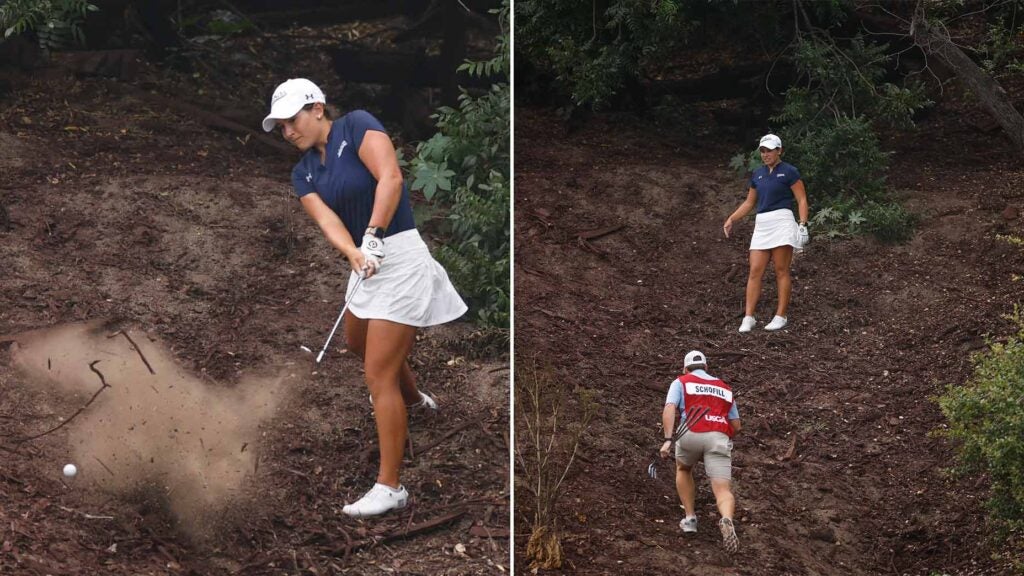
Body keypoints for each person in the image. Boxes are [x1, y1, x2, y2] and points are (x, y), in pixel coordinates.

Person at [262, 78, 467, 518]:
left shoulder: (357, 126)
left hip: (401, 256)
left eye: (292, 120)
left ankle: (390, 486)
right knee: (357, 343)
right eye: (280, 127)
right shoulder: (304, 172)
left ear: (317, 109)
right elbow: (328, 221)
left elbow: (390, 177)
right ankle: (416, 402)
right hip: (366, 261)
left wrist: (373, 233)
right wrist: (354, 251)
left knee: (378, 376)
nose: (288, 132)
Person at [723, 134, 810, 333]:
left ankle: (781, 316)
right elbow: (749, 202)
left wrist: (803, 224)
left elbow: (802, 200)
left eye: (769, 150)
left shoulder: (789, 171)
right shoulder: (758, 174)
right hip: (763, 224)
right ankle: (749, 317)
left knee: (781, 269)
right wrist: (732, 218)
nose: (765, 154)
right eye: (762, 151)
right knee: (755, 270)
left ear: (779, 150)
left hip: (782, 221)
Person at [659, 350, 742, 553]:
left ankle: (690, 519)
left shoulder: (681, 381)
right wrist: (722, 435)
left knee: (684, 468)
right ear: (706, 367)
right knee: (723, 490)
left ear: (685, 368)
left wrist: (668, 440)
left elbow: (670, 408)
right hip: (718, 436)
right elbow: (737, 425)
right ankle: (727, 519)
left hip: (690, 433)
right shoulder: (724, 387)